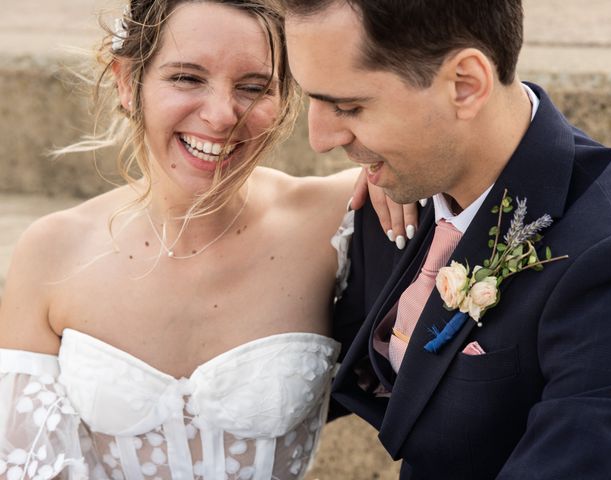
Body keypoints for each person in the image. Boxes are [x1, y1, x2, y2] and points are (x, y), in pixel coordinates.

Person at [0, 1, 414, 478]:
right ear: (126, 80)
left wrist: (398, 167)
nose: (221, 116)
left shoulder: (343, 214)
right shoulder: (51, 252)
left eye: (254, 87)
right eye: (186, 78)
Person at [282, 0, 611, 478]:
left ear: (466, 85)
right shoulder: (401, 191)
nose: (320, 138)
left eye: (349, 106)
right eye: (312, 99)